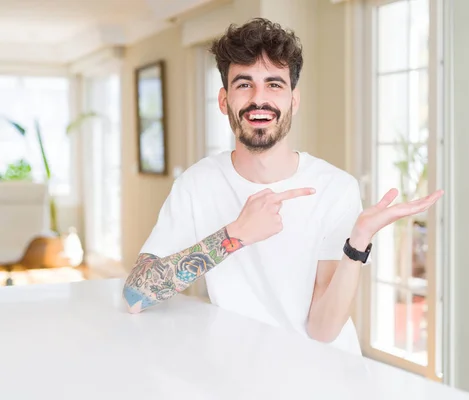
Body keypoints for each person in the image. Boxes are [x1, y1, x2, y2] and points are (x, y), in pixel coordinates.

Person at [122, 18, 443, 355]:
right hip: (241, 371)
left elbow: (322, 330)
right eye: (244, 84)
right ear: (223, 100)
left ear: (294, 100)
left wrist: (357, 243)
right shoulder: (196, 185)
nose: (259, 99)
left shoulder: (335, 188)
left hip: (325, 374)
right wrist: (233, 236)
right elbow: (136, 294)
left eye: (274, 84)